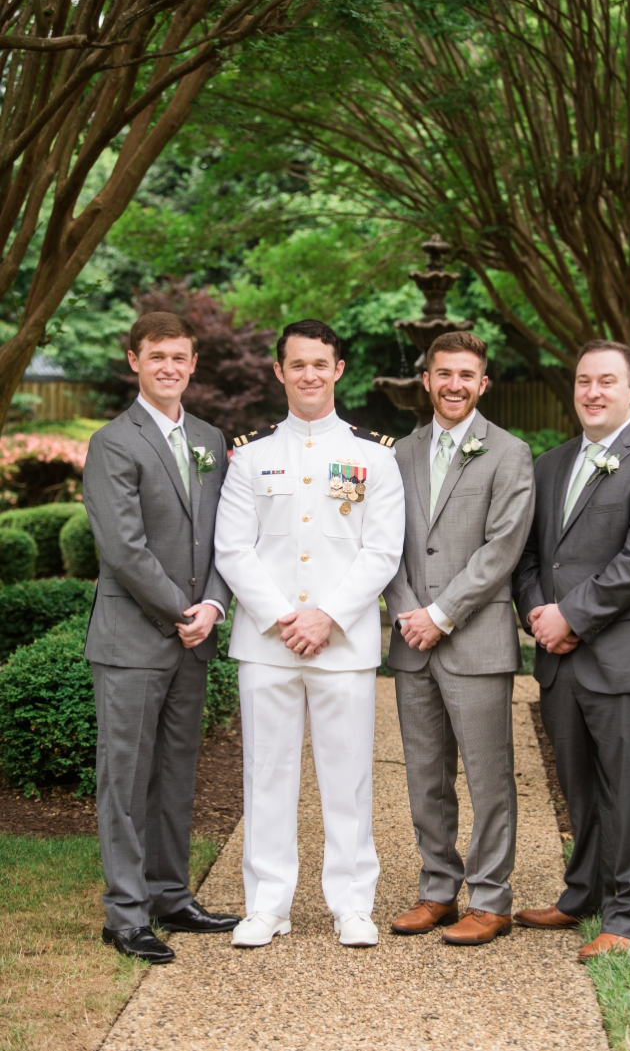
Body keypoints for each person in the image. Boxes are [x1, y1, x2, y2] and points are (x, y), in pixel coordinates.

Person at [213, 320, 404, 948]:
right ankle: (267, 906)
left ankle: (352, 903)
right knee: (266, 776)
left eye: (320, 363)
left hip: (342, 644)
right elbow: (232, 549)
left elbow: (382, 552)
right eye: (297, 364)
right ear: (279, 371)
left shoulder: (374, 455)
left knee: (347, 778)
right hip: (267, 644)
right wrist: (282, 618)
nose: (309, 375)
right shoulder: (252, 456)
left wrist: (326, 615)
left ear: (339, 369)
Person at [513, 339, 630, 962]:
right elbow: (531, 556)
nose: (593, 392)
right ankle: (582, 893)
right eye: (584, 380)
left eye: (607, 382)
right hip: (561, 659)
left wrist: (573, 616)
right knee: (581, 790)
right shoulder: (550, 464)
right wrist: (539, 614)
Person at [83, 312, 240, 964]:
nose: (169, 366)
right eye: (157, 356)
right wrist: (184, 609)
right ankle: (125, 914)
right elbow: (123, 547)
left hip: (192, 638)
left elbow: (229, 536)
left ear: (193, 362)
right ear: (134, 361)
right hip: (133, 639)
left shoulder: (210, 437)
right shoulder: (114, 442)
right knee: (125, 778)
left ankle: (170, 893)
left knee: (176, 775)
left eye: (180, 356)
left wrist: (214, 605)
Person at [383, 332, 535, 945]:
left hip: (473, 638)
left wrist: (440, 613)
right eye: (443, 373)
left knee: (488, 774)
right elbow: (383, 543)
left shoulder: (510, 452)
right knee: (425, 774)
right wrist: (404, 612)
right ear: (426, 379)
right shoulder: (400, 454)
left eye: (466, 375)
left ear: (483, 383)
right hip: (410, 641)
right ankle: (437, 889)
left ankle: (492, 899)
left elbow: (503, 548)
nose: (454, 384)